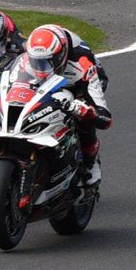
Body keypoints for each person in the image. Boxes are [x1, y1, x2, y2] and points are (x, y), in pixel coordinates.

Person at [21, 24, 111, 187]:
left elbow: (105, 118)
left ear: (60, 55)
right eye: (37, 62)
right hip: (51, 76)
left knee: (81, 116)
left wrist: (88, 111)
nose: (41, 68)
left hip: (79, 83)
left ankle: (91, 161)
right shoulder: (29, 52)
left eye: (47, 63)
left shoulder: (82, 63)